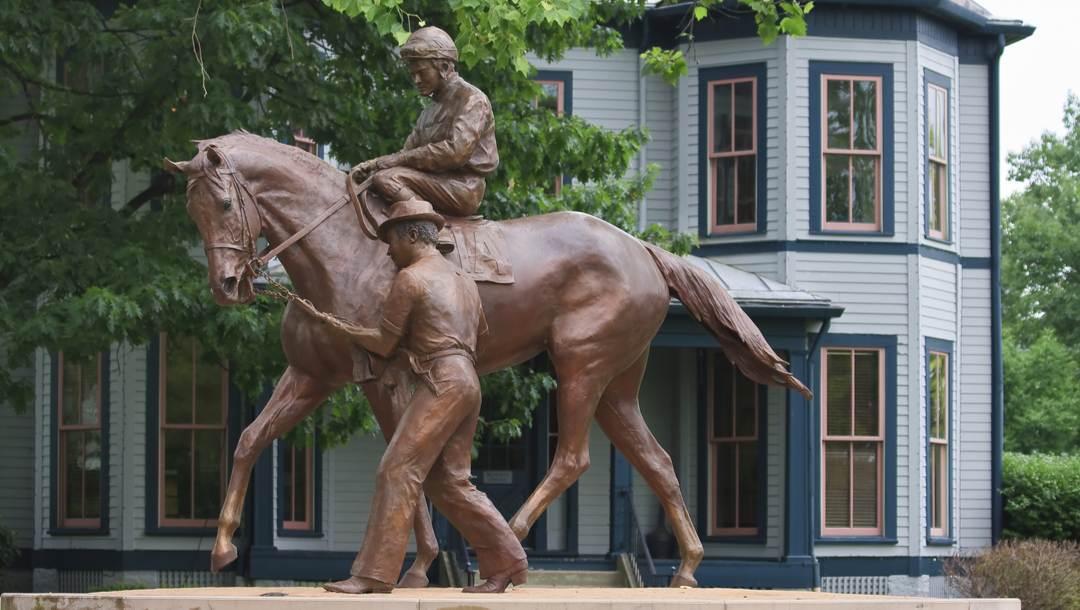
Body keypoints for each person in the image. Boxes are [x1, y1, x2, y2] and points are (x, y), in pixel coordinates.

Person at [322, 199, 527, 595]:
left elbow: (383, 343)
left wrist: (342, 328)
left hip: (441, 382)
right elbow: (475, 336)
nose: (387, 250)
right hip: (467, 380)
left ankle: (374, 574)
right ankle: (507, 561)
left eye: (391, 241)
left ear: (413, 235)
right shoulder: (464, 281)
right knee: (449, 481)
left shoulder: (411, 279)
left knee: (397, 469)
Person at [350, 26, 498, 222]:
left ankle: (433, 229)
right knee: (377, 178)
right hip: (433, 182)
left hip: (463, 187)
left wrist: (392, 163)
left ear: (444, 68)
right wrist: (374, 165)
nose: (416, 80)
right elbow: (406, 153)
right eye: (412, 75)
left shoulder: (472, 100)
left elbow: (456, 152)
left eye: (421, 72)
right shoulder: (428, 112)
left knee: (386, 179)